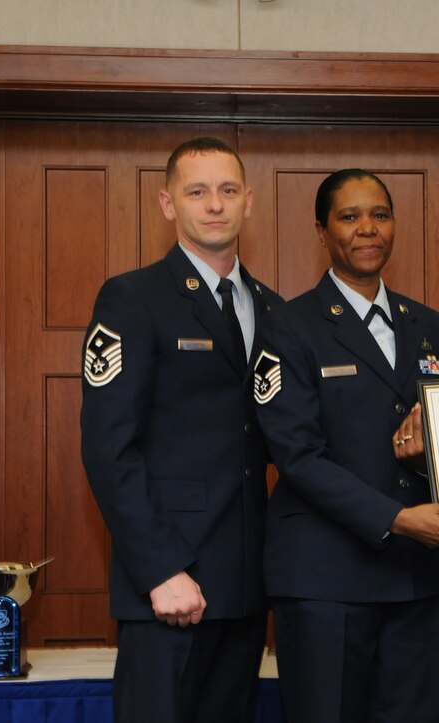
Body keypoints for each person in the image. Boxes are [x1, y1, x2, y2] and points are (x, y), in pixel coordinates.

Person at [253, 168, 439, 722]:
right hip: (326, 582)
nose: (367, 228)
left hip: (412, 579)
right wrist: (396, 517)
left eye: (380, 214)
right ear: (323, 232)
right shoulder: (287, 326)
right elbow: (297, 457)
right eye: (349, 217)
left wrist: (436, 456)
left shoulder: (430, 326)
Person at [80, 137, 282, 723]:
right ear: (168, 204)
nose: (214, 205)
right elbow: (108, 448)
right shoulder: (132, 298)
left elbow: (280, 436)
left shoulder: (272, 309)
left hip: (244, 586)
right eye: (197, 192)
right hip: (167, 588)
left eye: (227, 190)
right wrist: (161, 569)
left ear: (249, 200)